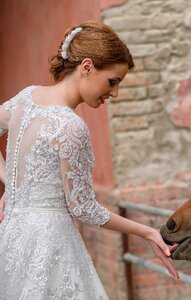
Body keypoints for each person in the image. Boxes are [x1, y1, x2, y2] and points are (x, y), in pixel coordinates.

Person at [0, 21, 179, 299]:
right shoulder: (71, 126)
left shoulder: (25, 99)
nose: (115, 93)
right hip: (51, 248)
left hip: (12, 241)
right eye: (112, 81)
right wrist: (146, 232)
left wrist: (11, 186)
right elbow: (83, 208)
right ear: (86, 67)